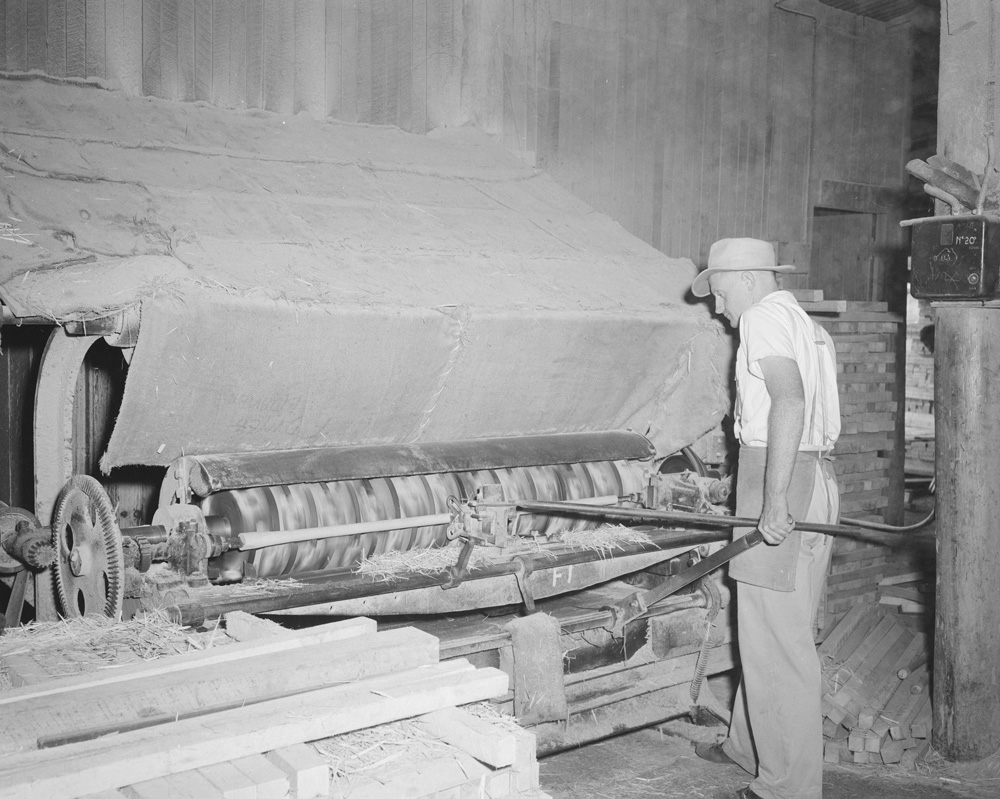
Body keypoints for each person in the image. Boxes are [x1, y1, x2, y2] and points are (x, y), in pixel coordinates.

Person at [690, 238, 841, 799]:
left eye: (722, 292)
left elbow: (790, 401)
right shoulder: (806, 323)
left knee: (778, 642)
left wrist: (773, 497)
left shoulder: (761, 318)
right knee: (769, 628)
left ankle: (787, 788)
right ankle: (747, 746)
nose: (718, 307)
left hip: (783, 479)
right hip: (817, 477)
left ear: (749, 280)